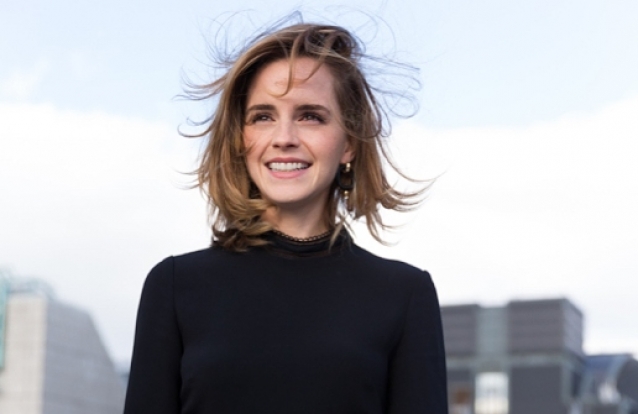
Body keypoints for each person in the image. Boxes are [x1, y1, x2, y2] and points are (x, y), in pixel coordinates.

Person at [123, 21, 448, 414]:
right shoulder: (175, 287)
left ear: (349, 142)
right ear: (240, 139)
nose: (284, 138)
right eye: (263, 116)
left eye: (310, 116)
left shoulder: (404, 295)